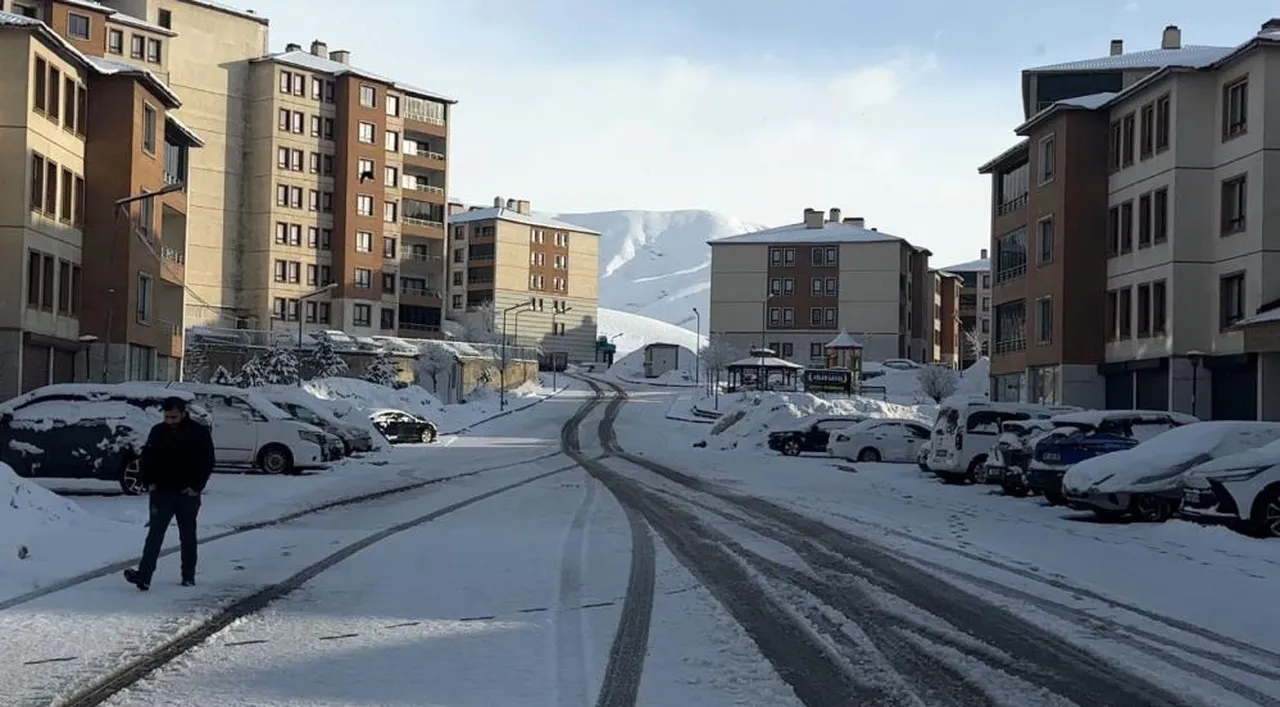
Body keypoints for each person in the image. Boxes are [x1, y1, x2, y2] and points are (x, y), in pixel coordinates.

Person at [123, 396, 216, 591]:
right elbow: (147, 457)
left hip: (187, 493)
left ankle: (188, 575)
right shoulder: (158, 432)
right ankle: (144, 576)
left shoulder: (198, 433)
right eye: (167, 417)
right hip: (162, 492)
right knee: (155, 534)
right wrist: (149, 482)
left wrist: (196, 487)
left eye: (174, 417)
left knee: (188, 535)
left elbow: (207, 461)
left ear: (183, 413)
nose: (170, 421)